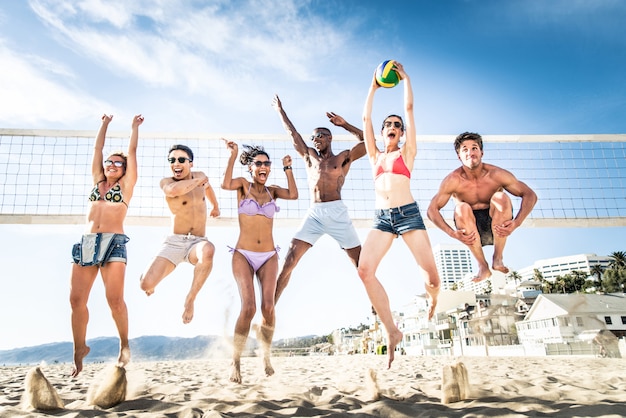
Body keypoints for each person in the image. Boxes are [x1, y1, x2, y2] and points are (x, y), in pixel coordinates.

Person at [361, 62, 440, 368]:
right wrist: (373, 86)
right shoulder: (374, 155)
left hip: (408, 215)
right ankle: (392, 330)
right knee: (364, 271)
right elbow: (365, 117)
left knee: (431, 278)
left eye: (397, 125)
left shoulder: (407, 153)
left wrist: (405, 78)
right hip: (382, 219)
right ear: (382, 133)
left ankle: (434, 298)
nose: (392, 127)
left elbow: (408, 108)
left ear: (402, 133)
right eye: (388, 125)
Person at [271, 94, 366, 303]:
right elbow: (292, 133)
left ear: (329, 138)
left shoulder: (342, 157)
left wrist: (346, 125)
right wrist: (280, 111)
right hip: (314, 213)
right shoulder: (309, 156)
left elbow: (367, 142)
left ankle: (376, 306)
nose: (315, 140)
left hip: (337, 212)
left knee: (362, 265)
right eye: (313, 137)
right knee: (289, 259)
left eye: (320, 136)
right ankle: (269, 309)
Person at [69, 113, 144, 377]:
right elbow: (97, 149)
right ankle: (80, 349)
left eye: (117, 163)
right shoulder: (97, 181)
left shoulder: (126, 186)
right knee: (76, 300)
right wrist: (104, 124)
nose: (112, 164)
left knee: (115, 301)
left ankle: (124, 345)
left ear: (124, 169)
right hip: (88, 242)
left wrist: (133, 128)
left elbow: (132, 151)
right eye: (110, 162)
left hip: (113, 242)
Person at [221, 139, 298, 384]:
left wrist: (288, 168)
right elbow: (225, 184)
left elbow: (294, 194)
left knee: (268, 307)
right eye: (259, 163)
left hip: (268, 256)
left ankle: (265, 354)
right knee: (249, 308)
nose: (263, 166)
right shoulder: (243, 186)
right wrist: (233, 155)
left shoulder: (272, 191)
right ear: (251, 168)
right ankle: (236, 361)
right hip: (243, 254)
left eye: (267, 163)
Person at [427, 132, 537, 282]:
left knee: (500, 197)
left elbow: (530, 195)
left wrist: (516, 223)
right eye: (465, 149)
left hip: (497, 225)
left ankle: (497, 258)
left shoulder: (497, 174)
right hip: (470, 230)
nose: (470, 152)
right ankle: (482, 266)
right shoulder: (453, 180)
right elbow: (431, 210)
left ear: (481, 152)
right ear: (459, 156)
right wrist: (451, 233)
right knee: (461, 208)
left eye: (474, 148)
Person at [139, 144, 220, 324]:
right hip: (174, 242)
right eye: (172, 160)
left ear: (190, 163)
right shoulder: (166, 182)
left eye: (181, 160)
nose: (176, 163)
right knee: (146, 284)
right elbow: (175, 191)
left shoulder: (200, 177)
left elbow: (208, 188)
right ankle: (151, 281)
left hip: (197, 242)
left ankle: (190, 299)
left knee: (208, 250)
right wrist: (199, 181)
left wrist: (215, 206)